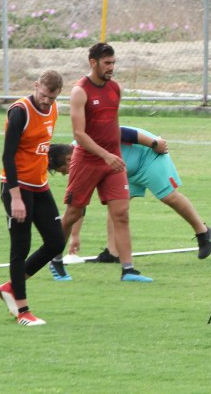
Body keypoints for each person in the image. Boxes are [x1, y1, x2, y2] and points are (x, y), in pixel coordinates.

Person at [57, 43, 150, 283]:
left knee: (121, 214)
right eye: (107, 63)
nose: (111, 67)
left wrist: (113, 155)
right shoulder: (80, 91)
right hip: (87, 161)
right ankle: (55, 259)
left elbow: (113, 126)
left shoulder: (115, 88)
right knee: (73, 213)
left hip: (113, 161)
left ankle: (128, 269)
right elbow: (79, 134)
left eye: (113, 63)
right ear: (93, 62)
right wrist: (105, 155)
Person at [60, 127, 211, 263]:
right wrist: (75, 236)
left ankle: (203, 232)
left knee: (168, 196)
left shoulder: (86, 141)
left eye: (62, 170)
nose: (64, 174)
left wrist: (154, 143)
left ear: (68, 159)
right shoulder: (79, 156)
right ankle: (113, 253)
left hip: (148, 157)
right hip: (125, 169)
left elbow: (123, 132)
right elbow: (78, 203)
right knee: (115, 205)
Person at [0, 70, 68, 327]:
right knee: (21, 246)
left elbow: (41, 148)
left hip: (40, 187)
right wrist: (15, 197)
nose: (47, 101)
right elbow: (8, 156)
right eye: (44, 95)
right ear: (36, 86)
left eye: (52, 97)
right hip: (17, 187)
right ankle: (23, 311)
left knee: (56, 241)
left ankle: (10, 287)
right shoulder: (20, 112)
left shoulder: (54, 109)